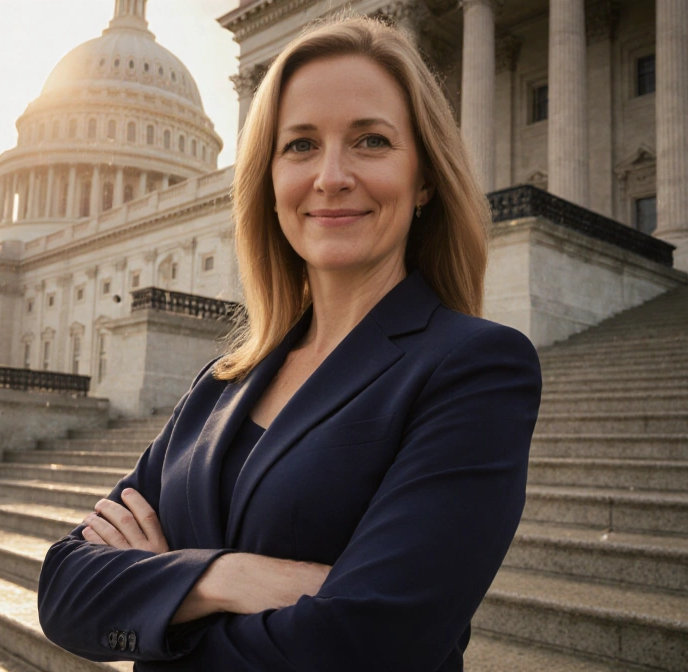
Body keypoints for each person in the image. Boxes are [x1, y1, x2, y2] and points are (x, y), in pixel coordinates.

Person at [38, 16, 541, 671]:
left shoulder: (474, 368)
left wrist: (163, 594)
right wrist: (229, 578)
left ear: (424, 179)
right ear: (269, 182)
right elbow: (64, 591)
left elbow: (368, 643)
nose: (331, 176)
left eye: (370, 140)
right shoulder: (218, 385)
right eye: (300, 145)